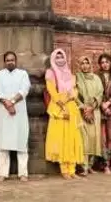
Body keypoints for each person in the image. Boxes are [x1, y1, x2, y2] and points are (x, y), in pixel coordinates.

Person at [44, 49, 84, 180]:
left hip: (71, 107)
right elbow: (52, 91)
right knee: (62, 138)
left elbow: (75, 91)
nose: (60, 59)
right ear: (53, 59)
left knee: (72, 138)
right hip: (59, 107)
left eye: (62, 57)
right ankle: (64, 169)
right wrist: (63, 103)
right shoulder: (51, 73)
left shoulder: (70, 74)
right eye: (57, 57)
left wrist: (72, 96)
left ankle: (72, 169)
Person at [0, 51, 31, 182]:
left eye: (12, 60)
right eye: (8, 60)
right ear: (4, 62)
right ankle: (3, 173)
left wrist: (13, 102)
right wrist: (7, 104)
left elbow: (24, 90)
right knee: (3, 144)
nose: (10, 62)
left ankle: (23, 173)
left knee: (22, 142)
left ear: (16, 61)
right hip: (4, 114)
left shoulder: (23, 74)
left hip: (19, 113)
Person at [75, 55, 103, 175]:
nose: (85, 66)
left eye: (87, 63)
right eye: (82, 63)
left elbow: (100, 93)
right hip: (82, 112)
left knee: (94, 139)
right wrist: (84, 107)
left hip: (95, 111)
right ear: (79, 65)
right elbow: (74, 94)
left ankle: (91, 165)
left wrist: (92, 108)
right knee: (84, 139)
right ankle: (84, 166)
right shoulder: (76, 78)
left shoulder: (96, 78)